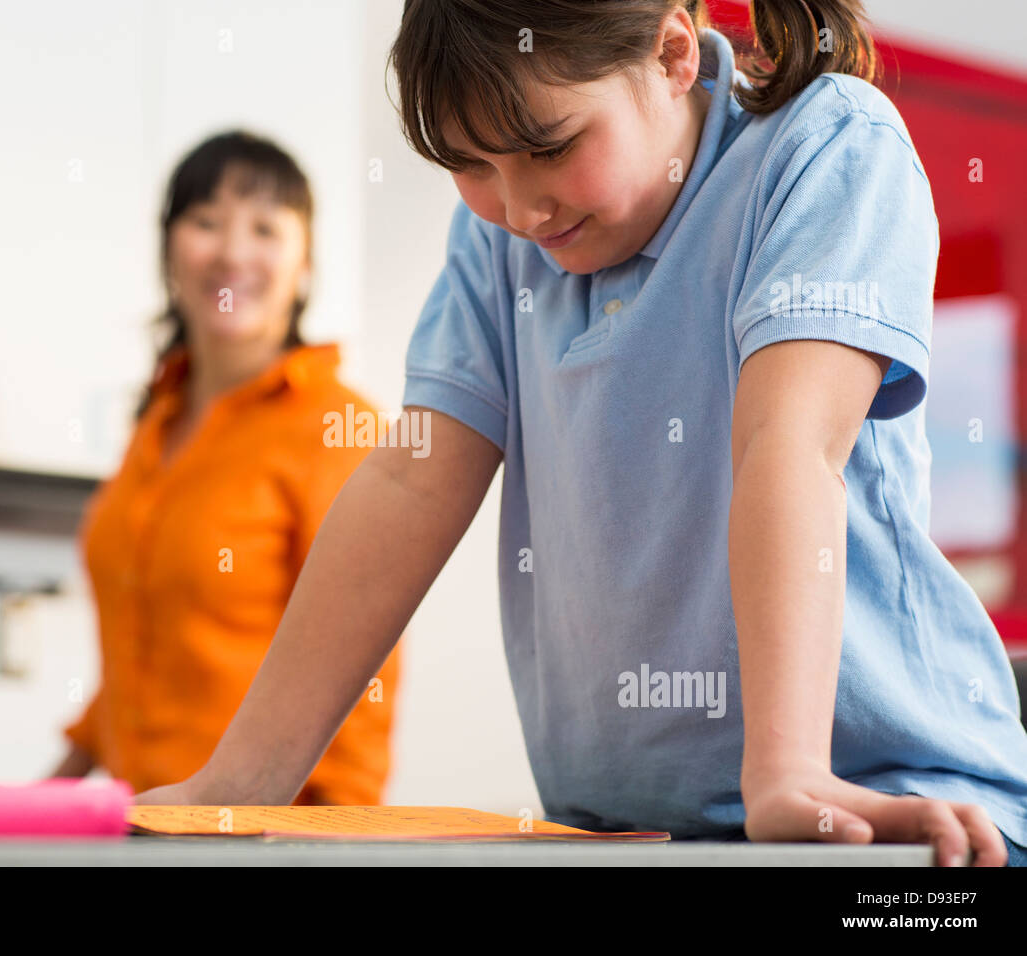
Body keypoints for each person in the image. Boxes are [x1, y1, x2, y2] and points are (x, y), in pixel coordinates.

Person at [135, 1, 1027, 866]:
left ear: (674, 54)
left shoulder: (824, 146)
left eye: (548, 148)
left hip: (894, 806)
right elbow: (410, 484)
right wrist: (239, 784)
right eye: (471, 164)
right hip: (625, 828)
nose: (520, 209)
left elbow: (785, 447)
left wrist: (787, 770)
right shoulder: (500, 241)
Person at [50, 131, 401, 806]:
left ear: (305, 261)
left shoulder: (336, 426)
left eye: (265, 228)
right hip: (136, 832)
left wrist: (338, 848)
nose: (233, 252)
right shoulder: (154, 423)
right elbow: (140, 652)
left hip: (258, 842)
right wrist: (36, 804)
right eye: (206, 222)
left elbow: (363, 674)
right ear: (168, 250)